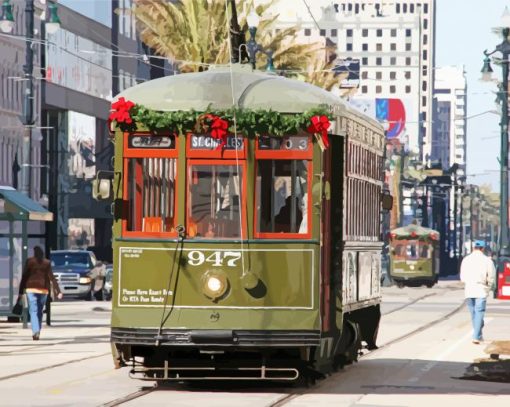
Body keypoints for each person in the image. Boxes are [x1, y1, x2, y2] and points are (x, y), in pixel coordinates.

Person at [18, 246, 63, 340]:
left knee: (33, 311)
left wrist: (20, 291)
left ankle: (36, 331)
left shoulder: (29, 261)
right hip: (43, 289)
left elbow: (24, 276)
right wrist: (58, 291)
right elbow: (52, 277)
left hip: (31, 289)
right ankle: (37, 329)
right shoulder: (47, 263)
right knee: (39, 311)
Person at [459, 240, 496, 344]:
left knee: (474, 314)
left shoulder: (466, 260)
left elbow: (462, 277)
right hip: (481, 289)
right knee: (479, 313)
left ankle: (478, 335)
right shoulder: (487, 261)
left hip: (469, 290)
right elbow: (491, 277)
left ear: (474, 247)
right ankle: (476, 336)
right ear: (483, 249)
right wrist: (488, 288)